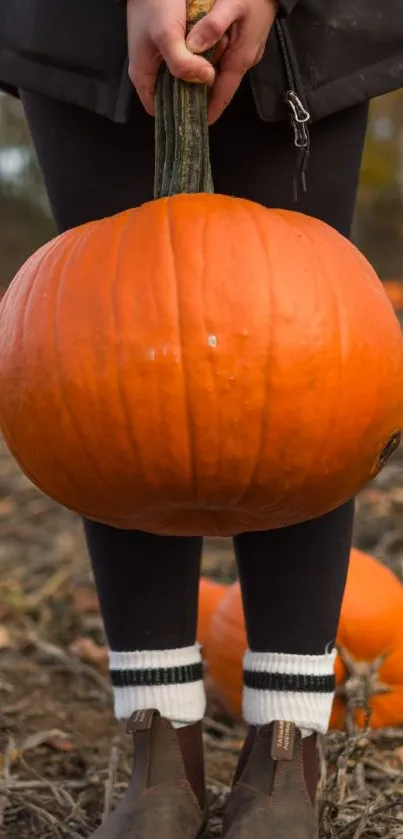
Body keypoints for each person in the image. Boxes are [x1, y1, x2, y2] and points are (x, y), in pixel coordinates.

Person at [0, 1, 402, 837]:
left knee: (305, 366)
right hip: (80, 24)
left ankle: (286, 750)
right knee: (115, 370)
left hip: (304, 32)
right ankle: (159, 744)